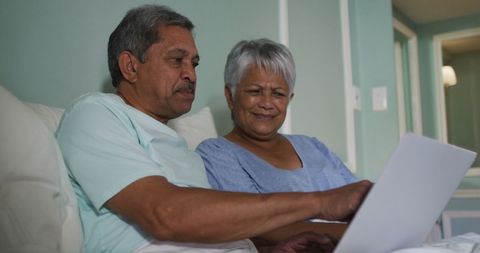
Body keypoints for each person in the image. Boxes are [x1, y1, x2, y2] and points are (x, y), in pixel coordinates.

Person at [55, 4, 372, 253]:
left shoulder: (180, 147)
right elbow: (166, 214)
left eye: (193, 63)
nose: (190, 74)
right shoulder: (95, 114)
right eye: (177, 60)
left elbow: (214, 227)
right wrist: (320, 202)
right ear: (130, 66)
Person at [196, 39, 358, 242]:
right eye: (255, 92)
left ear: (289, 99)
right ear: (230, 96)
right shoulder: (216, 153)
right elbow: (252, 226)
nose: (266, 103)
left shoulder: (313, 146)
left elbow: (361, 204)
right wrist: (358, 236)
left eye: (278, 94)